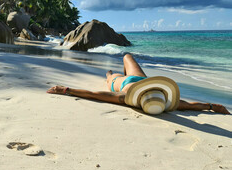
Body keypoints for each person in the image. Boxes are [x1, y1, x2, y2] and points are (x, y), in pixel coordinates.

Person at [47, 54, 230, 115]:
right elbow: (192, 106)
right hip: (140, 79)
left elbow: (94, 94)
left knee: (111, 78)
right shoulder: (166, 104)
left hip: (130, 82)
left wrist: (66, 89)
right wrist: (212, 106)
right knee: (127, 57)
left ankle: (109, 73)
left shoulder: (124, 97)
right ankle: (112, 74)